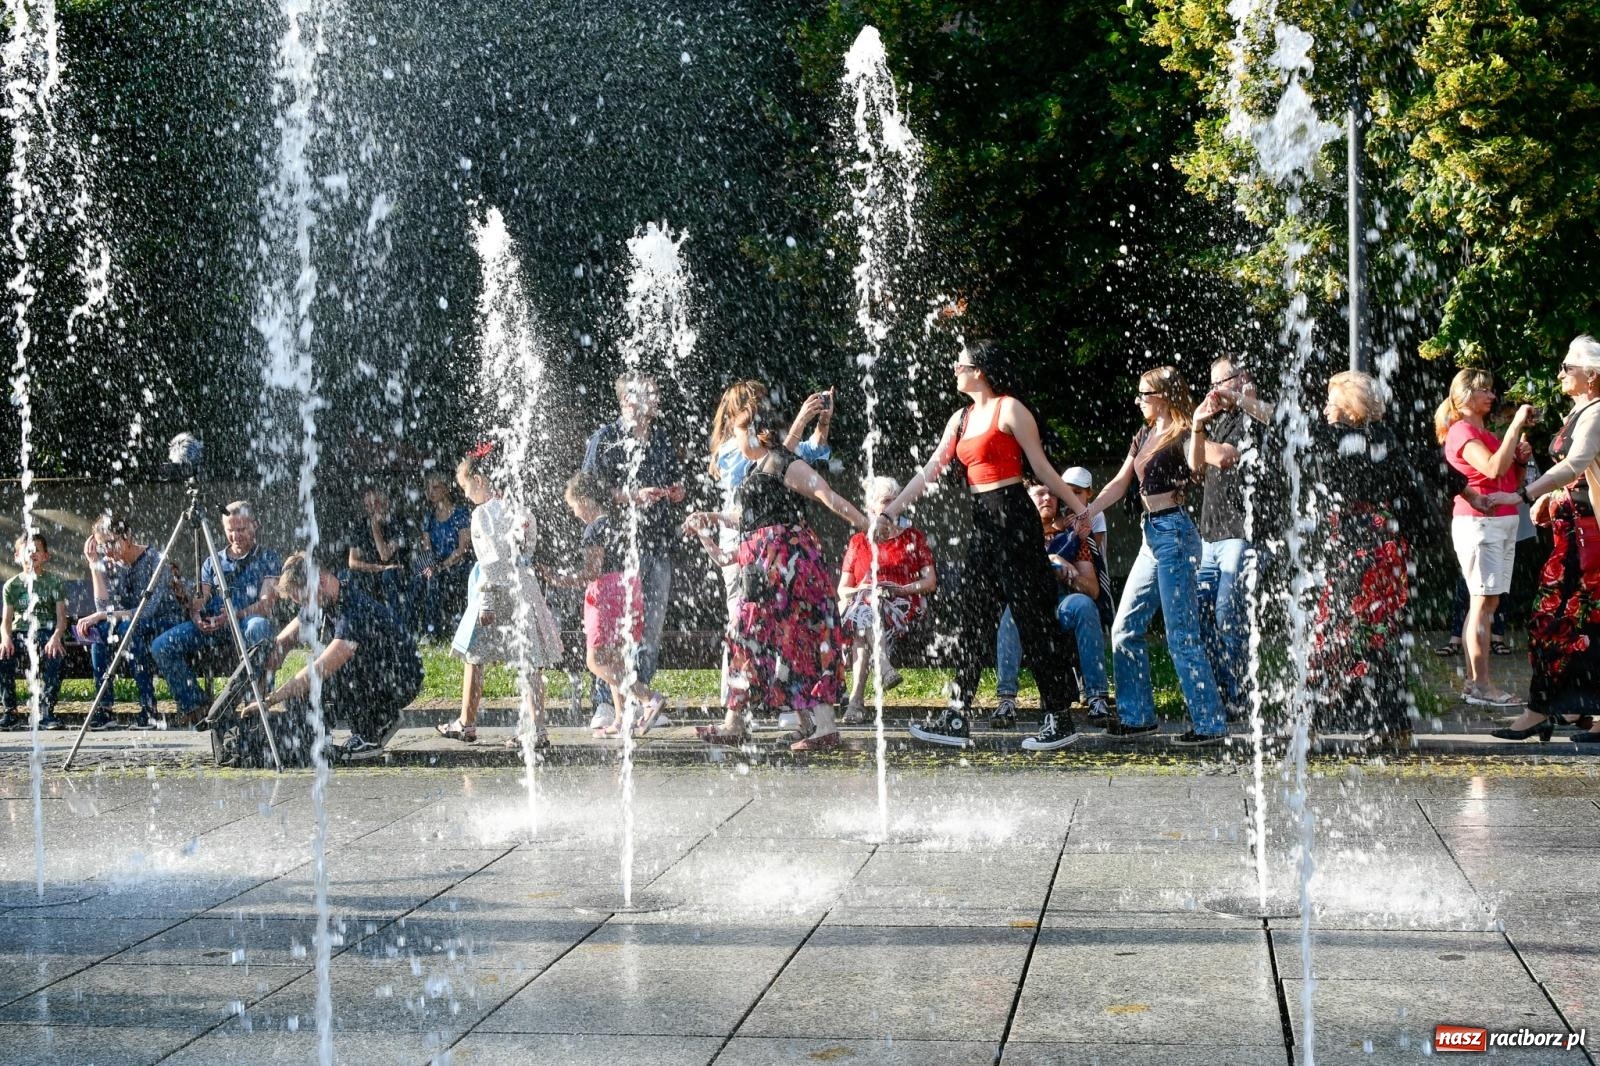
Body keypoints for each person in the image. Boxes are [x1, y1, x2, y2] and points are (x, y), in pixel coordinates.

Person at [877, 340, 1090, 751]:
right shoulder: (961, 418)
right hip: (983, 523)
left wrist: (1079, 508)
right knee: (973, 616)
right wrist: (891, 512)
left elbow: (1041, 466)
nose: (955, 369)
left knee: (1032, 618)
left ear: (981, 371)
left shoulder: (1009, 409)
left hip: (1014, 519)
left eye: (962, 364)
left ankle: (1059, 716)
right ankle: (958, 713)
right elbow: (931, 470)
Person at [683, 384, 874, 751]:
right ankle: (757, 722)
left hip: (793, 568)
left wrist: (868, 525)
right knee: (752, 638)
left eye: (736, 432)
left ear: (752, 431)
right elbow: (749, 517)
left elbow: (827, 496)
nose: (733, 440)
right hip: (764, 570)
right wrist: (710, 521)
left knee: (800, 638)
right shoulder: (759, 469)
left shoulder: (783, 463)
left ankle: (823, 727)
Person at [1074, 366, 1225, 746]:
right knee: (1125, 627)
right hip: (1151, 535)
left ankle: (1209, 723)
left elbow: (1196, 468)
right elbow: (1121, 482)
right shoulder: (1143, 435)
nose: (1138, 400)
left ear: (1163, 396)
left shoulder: (1183, 432)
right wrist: (1088, 513)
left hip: (1175, 533)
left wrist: (1204, 430)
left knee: (1181, 635)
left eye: (1144, 394)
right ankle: (1138, 716)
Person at [1304, 370, 1428, 741]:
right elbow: (1414, 489)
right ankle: (1393, 724)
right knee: (1377, 636)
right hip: (1382, 545)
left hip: (1362, 550)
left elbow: (1289, 429)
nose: (1325, 408)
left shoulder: (1344, 440)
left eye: (1331, 401)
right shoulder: (1386, 440)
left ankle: (1313, 722)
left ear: (1348, 406)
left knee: (1332, 630)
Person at [708, 380, 835, 728]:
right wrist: (799, 421)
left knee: (783, 624)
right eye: (755, 405)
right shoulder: (733, 447)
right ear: (738, 412)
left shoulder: (763, 440)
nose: (762, 414)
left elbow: (803, 456)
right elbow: (771, 465)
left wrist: (820, 423)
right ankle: (738, 712)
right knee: (744, 623)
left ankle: (789, 711)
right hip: (745, 542)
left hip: (774, 548)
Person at [1491, 337, 1600, 741]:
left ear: (1590, 376)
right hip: (1574, 534)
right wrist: (1553, 496)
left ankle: (1544, 709)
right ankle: (1566, 709)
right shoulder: (1582, 411)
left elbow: (1578, 463)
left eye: (1567, 369)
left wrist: (1525, 495)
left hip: (1589, 540)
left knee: (1557, 618)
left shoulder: (1596, 412)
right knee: (1568, 621)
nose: (1561, 375)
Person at [224, 553, 423, 766]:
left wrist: (271, 699)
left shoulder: (352, 610)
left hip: (401, 679)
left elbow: (320, 669)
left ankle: (375, 726)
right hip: (378, 672)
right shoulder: (320, 599)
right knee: (297, 693)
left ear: (320, 580)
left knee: (314, 680)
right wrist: (261, 672)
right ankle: (319, 741)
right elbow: (280, 645)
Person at [437, 447, 565, 750]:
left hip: (495, 592)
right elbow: (528, 549)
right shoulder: (519, 508)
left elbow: (490, 562)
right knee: (529, 658)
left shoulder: (481, 514)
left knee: (474, 654)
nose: (467, 496)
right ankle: (536, 728)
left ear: (479, 480)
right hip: (524, 588)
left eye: (466, 488)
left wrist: (487, 602)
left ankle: (467, 724)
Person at [581, 373, 683, 729]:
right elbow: (587, 491)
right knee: (611, 633)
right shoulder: (605, 439)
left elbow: (674, 478)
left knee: (647, 632)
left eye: (655, 393)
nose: (655, 398)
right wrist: (631, 496)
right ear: (627, 401)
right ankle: (604, 707)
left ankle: (643, 703)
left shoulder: (660, 439)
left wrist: (674, 491)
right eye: (647, 394)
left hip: (657, 544)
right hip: (617, 554)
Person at [1434, 368, 1535, 707]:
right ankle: (1482, 685)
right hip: (1480, 523)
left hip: (1499, 522)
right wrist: (1516, 426)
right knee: (1482, 603)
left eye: (1491, 390)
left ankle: (1475, 682)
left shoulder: (1485, 432)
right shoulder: (1462, 431)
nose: (1492, 396)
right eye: (1484, 391)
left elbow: (1507, 478)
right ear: (1464, 397)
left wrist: (1519, 459)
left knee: (1487, 604)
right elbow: (1491, 469)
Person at [546, 471, 668, 737]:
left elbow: (592, 572)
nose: (574, 512)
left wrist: (559, 579)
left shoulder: (594, 529)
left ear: (586, 500)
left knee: (596, 661)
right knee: (615, 658)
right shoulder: (617, 523)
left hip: (607, 593)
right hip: (627, 588)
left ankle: (649, 698)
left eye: (574, 505)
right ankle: (622, 718)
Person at [150, 501, 282, 727]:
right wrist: (197, 613)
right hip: (214, 625)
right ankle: (195, 705)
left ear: (255, 525)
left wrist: (233, 615)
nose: (235, 536)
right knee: (161, 645)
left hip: (244, 623)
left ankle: (255, 700)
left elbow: (265, 604)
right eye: (230, 530)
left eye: (241, 529)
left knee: (259, 627)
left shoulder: (268, 558)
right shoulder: (213, 561)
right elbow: (202, 596)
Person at [1193, 356, 1274, 719]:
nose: (1213, 391)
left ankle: (1242, 691)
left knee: (1229, 611)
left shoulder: (1254, 418)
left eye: (1220, 382)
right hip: (1209, 534)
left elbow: (1226, 457)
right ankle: (1225, 688)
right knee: (1200, 613)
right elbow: (1196, 465)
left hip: (1240, 534)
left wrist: (1188, 444)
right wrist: (1194, 432)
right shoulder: (1216, 420)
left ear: (1241, 379)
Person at [995, 483, 1115, 726]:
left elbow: (1092, 589)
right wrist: (1051, 559)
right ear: (1026, 499)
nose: (1047, 498)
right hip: (1028, 603)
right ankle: (1006, 700)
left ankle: (1097, 697)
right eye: (1040, 493)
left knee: (1084, 605)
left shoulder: (1073, 536)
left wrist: (1070, 576)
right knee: (1012, 613)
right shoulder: (1015, 533)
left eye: (1051, 493)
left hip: (1063, 601)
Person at [836, 476, 936, 724]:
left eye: (895, 501)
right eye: (885, 502)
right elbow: (842, 591)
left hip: (900, 604)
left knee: (865, 620)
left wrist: (898, 589)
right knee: (867, 605)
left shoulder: (912, 537)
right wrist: (864, 588)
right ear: (870, 508)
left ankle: (856, 702)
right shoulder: (859, 541)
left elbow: (929, 582)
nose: (891, 507)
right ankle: (883, 665)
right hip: (864, 606)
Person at [73, 513, 184, 730]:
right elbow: (104, 609)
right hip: (132, 625)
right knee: (100, 630)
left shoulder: (155, 560)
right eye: (102, 546)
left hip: (165, 621)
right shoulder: (111, 563)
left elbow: (148, 610)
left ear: (128, 536)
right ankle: (104, 708)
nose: (108, 551)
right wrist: (94, 565)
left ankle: (149, 708)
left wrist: (103, 616)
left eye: (112, 543)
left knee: (126, 627)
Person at [0, 533, 68, 731]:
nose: (31, 554)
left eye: (36, 550)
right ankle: (10, 711)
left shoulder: (54, 583)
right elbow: (6, 622)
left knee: (55, 654)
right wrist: (5, 639)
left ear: (45, 556)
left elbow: (62, 619)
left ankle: (47, 712)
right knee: (3, 656)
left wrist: (56, 637)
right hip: (20, 634)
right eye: (26, 551)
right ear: (17, 557)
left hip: (47, 633)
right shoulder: (12, 586)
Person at [413, 471, 473, 639]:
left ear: (446, 489)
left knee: (435, 579)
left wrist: (441, 566)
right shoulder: (429, 517)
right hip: (437, 563)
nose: (430, 491)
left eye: (435, 487)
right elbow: (426, 547)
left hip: (457, 563)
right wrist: (431, 565)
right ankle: (416, 630)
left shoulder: (460, 513)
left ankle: (433, 632)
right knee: (418, 579)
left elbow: (463, 549)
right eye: (427, 488)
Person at [347, 486, 410, 619]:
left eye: (376, 503)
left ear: (385, 502)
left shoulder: (399, 523)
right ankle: (357, 621)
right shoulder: (360, 526)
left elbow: (385, 555)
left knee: (389, 576)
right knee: (347, 576)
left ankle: (396, 622)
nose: (373, 508)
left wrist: (375, 527)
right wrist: (378, 568)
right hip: (374, 571)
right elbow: (352, 562)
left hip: (397, 570)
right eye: (368, 505)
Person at [1062, 467, 1107, 553]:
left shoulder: (1097, 514)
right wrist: (1063, 528)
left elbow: (1094, 548)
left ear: (1089, 493)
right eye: (1067, 492)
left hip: (1093, 564)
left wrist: (1077, 534)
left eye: (1077, 492)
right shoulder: (1062, 512)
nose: (1071, 497)